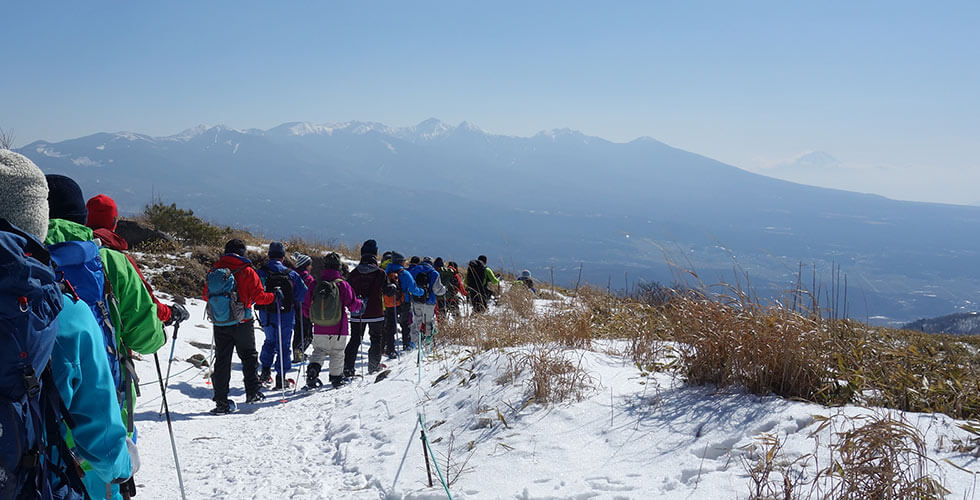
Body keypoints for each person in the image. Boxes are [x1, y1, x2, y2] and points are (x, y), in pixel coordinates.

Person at [0, 151, 133, 500]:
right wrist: (123, 469)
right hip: (39, 480)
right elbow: (98, 430)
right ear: (35, 220)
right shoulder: (64, 310)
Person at [45, 174, 166, 498]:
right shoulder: (111, 262)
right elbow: (147, 338)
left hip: (35, 418)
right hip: (107, 407)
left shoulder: (22, 261)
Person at [85, 193, 188, 324]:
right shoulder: (119, 259)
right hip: (105, 335)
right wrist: (170, 314)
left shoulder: (66, 247)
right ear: (114, 222)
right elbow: (145, 303)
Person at [203, 238, 276, 414]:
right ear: (242, 252)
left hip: (221, 322)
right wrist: (273, 296)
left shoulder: (215, 270)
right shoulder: (247, 271)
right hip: (243, 321)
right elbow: (259, 297)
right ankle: (252, 393)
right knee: (249, 357)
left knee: (222, 360)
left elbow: (206, 296)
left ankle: (221, 402)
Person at [302, 253, 362, 389]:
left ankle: (313, 372)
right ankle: (336, 379)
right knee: (337, 353)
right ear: (339, 267)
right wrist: (360, 303)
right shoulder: (343, 285)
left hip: (319, 327)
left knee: (318, 351)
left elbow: (306, 308)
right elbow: (352, 305)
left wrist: (313, 318)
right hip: (339, 327)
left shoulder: (315, 284)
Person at [256, 242, 308, 390]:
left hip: (266, 313)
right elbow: (302, 294)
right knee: (283, 345)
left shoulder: (261, 272)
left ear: (268, 255)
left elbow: (255, 292)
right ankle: (281, 378)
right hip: (285, 315)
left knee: (269, 341)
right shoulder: (291, 274)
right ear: (283, 258)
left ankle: (265, 373)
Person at [345, 239, 386, 376]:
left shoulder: (354, 273)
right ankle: (373, 367)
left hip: (358, 313)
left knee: (355, 339)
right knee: (376, 339)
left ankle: (348, 368)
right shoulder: (380, 273)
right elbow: (387, 291)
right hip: (376, 312)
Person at [383, 252, 425, 354]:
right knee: (405, 325)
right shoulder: (404, 273)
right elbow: (413, 288)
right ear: (400, 261)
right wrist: (422, 292)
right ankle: (406, 346)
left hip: (389, 302)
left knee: (390, 326)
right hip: (404, 302)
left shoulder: (386, 272)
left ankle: (390, 349)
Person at [409, 257, 446, 349]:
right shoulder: (434, 273)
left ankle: (414, 343)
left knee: (416, 321)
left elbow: (410, 286)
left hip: (416, 300)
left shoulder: (413, 270)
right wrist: (444, 289)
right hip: (430, 302)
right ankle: (428, 344)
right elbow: (437, 290)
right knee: (428, 322)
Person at [291, 252, 315, 363]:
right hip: (306, 310)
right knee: (308, 335)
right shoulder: (309, 279)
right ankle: (299, 352)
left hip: (293, 309)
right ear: (306, 265)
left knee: (297, 332)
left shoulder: (292, 275)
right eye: (310, 265)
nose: (311, 267)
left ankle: (297, 354)